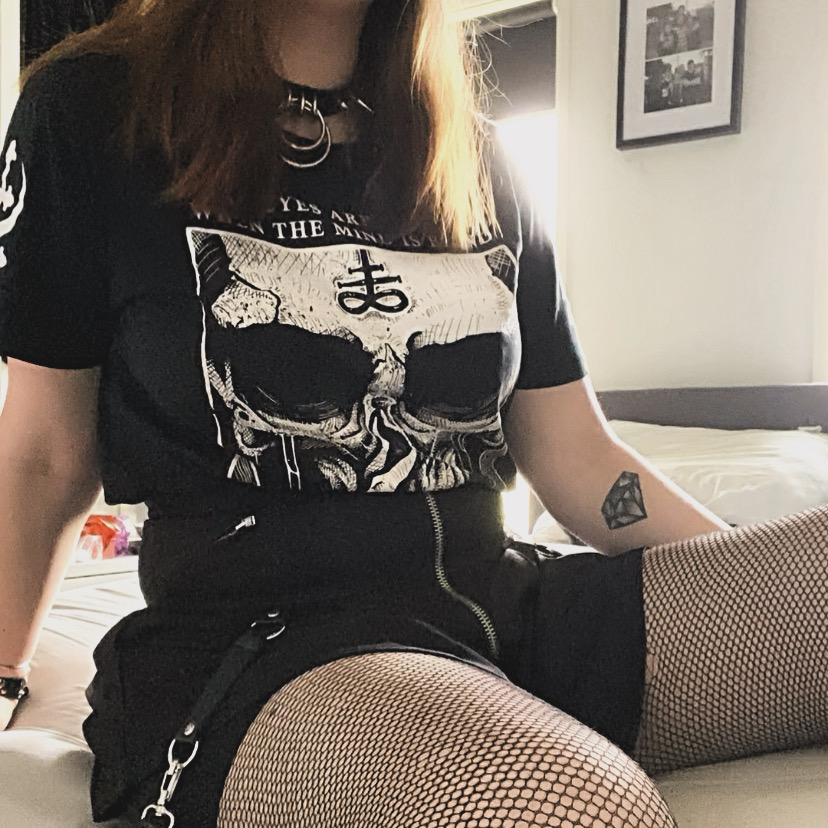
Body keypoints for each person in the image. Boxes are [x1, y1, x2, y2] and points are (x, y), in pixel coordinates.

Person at [1, 1, 827, 826]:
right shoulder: (94, 107)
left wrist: (742, 581)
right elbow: (44, 454)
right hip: (264, 650)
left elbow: (579, 458)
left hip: (500, 607)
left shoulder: (470, 152)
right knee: (561, 805)